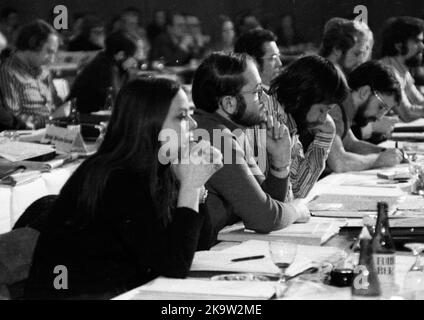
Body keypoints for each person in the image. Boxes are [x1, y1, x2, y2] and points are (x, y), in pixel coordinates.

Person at [23, 77, 223, 300]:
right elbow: (174, 267)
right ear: (148, 123)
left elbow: (197, 249)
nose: (194, 125)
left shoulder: (160, 167)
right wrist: (190, 187)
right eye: (182, 116)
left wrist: (197, 186)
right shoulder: (118, 178)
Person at [191, 52, 310, 239]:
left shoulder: (229, 132)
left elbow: (265, 201)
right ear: (229, 103)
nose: (264, 99)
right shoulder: (216, 137)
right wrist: (296, 209)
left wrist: (279, 164)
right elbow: (264, 218)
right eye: (256, 92)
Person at [266, 55, 348, 198]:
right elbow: (288, 196)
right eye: (322, 109)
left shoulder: (289, 120)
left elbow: (298, 187)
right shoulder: (271, 118)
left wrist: (327, 134)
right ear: (302, 97)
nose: (323, 119)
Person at [326, 61, 403, 173]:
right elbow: (339, 162)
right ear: (364, 92)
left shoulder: (345, 107)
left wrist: (389, 153)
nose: (380, 117)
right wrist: (379, 159)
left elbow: (351, 144)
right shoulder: (335, 107)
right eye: (381, 107)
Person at [0, 20, 65, 129]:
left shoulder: (44, 70)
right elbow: (14, 119)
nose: (52, 60)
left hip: (51, 130)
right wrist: (51, 119)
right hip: (29, 135)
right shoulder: (9, 71)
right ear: (32, 44)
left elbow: (57, 106)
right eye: (49, 52)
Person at [68, 31, 138, 113]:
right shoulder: (106, 68)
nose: (134, 62)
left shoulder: (104, 60)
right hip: (83, 117)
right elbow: (115, 101)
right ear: (121, 55)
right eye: (131, 57)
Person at [380, 16, 424, 122]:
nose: (422, 46)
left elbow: (419, 101)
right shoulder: (387, 71)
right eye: (417, 41)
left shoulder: (401, 69)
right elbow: (407, 114)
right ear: (399, 46)